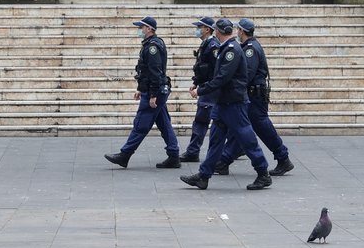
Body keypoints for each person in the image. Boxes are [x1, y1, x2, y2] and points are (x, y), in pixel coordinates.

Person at [180, 18, 272, 190]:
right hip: (222, 102)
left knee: (246, 138)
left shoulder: (232, 50)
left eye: (215, 29)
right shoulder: (225, 48)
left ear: (219, 31)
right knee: (215, 140)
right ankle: (204, 175)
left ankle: (263, 172)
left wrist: (201, 90)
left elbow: (222, 78)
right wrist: (200, 83)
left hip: (234, 103)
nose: (214, 32)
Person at [215, 18, 294, 177]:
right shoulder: (248, 47)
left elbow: (247, 74)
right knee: (242, 128)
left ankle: (283, 157)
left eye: (238, 30)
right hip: (252, 95)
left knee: (259, 128)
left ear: (242, 31)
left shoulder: (250, 49)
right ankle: (224, 161)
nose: (237, 32)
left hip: (254, 97)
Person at [105, 16, 181, 169]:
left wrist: (152, 95)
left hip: (155, 91)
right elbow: (145, 71)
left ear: (149, 29)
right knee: (164, 123)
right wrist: (140, 89)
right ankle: (174, 155)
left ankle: (125, 155)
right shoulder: (150, 44)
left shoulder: (152, 46)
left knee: (141, 123)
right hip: (155, 89)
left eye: (142, 27)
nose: (139, 30)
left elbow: (155, 72)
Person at [178, 16, 220, 162]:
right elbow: (202, 67)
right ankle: (237, 148)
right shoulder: (205, 44)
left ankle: (193, 151)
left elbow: (215, 71)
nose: (197, 30)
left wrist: (204, 87)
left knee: (201, 121)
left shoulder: (213, 45)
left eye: (199, 27)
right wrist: (196, 82)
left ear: (207, 29)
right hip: (206, 87)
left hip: (210, 90)